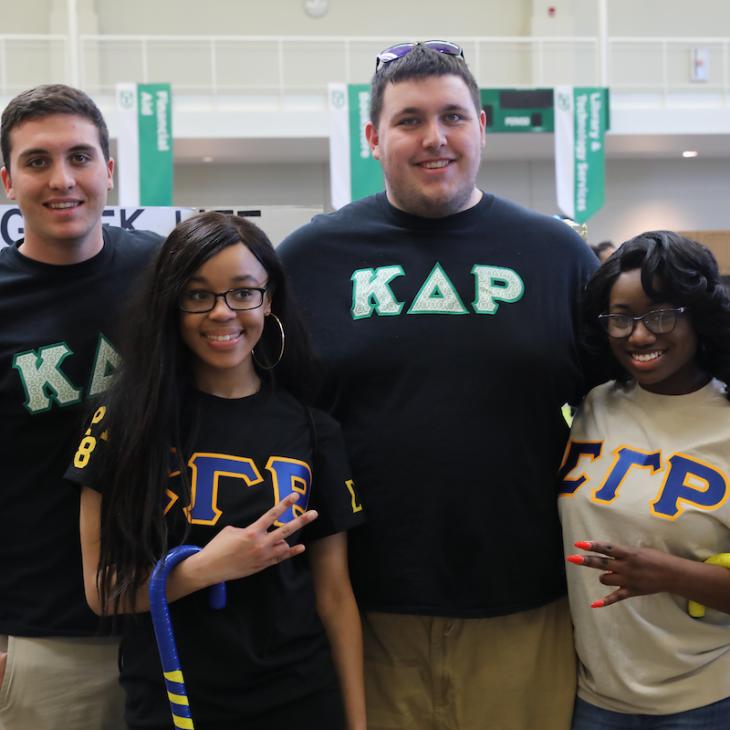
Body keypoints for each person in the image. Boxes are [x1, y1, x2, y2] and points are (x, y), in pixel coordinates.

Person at [279, 41, 598, 730]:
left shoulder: (556, 253)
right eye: (409, 120)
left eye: (453, 116)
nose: (435, 138)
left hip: (525, 606)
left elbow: (618, 408)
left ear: (482, 125)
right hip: (361, 608)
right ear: (372, 137)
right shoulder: (308, 258)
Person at [64, 212, 367, 730]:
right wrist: (207, 568)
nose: (222, 313)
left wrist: (357, 722)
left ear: (268, 300)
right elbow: (102, 590)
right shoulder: (123, 422)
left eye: (243, 292)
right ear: (171, 305)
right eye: (198, 294)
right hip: (173, 700)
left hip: (299, 701)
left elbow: (334, 596)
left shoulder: (314, 430)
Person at [0, 84, 161, 730]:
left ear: (109, 170)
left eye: (80, 157)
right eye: (37, 162)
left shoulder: (166, 277)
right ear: (7, 180)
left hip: (177, 616)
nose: (62, 179)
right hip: (46, 641)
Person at [559, 231, 730, 728]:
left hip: (708, 700)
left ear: (697, 317)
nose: (638, 335)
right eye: (621, 318)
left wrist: (672, 574)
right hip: (595, 698)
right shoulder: (592, 405)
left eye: (661, 315)